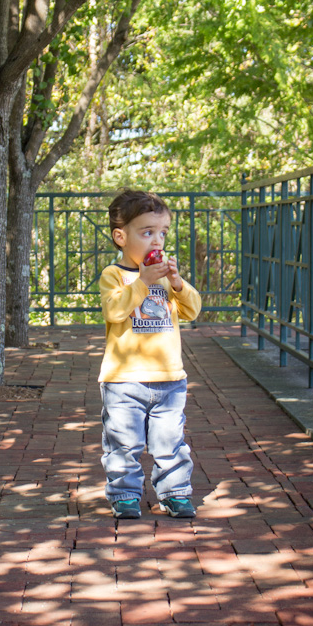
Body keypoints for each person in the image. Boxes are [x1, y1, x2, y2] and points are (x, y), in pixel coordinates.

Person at [98, 188, 202, 519]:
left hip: (169, 377)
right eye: (147, 233)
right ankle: (124, 495)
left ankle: (175, 493)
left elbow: (192, 311)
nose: (158, 241)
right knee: (124, 442)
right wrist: (142, 281)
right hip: (124, 380)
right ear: (121, 237)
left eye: (163, 233)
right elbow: (115, 310)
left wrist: (178, 283)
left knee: (170, 441)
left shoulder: (166, 278)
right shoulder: (115, 275)